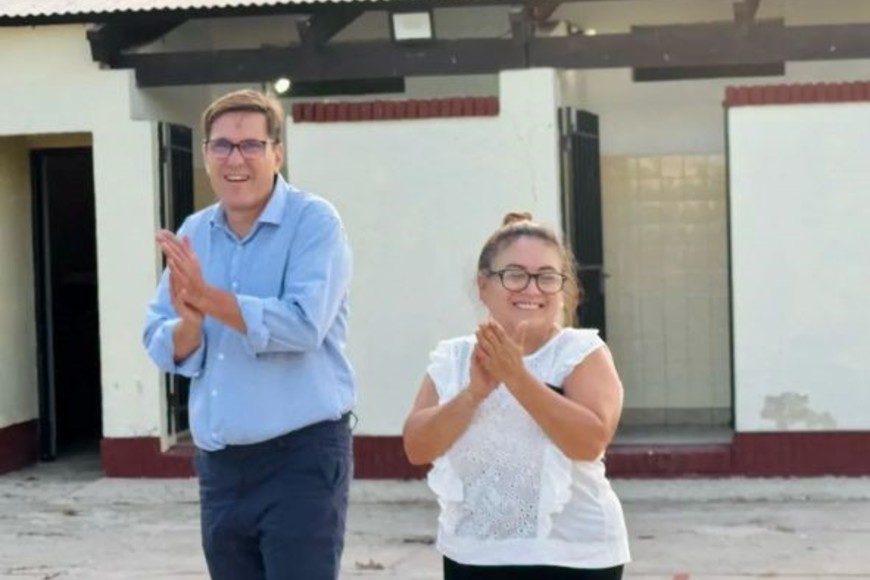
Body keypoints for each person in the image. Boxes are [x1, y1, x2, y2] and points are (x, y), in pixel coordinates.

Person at [142, 89, 355, 580]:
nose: (235, 159)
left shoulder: (314, 222)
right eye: (221, 146)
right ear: (205, 155)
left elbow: (303, 324)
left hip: (299, 461)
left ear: (276, 153)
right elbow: (159, 335)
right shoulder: (196, 229)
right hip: (220, 470)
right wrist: (191, 322)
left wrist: (207, 297)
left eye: (250, 145)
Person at [403, 212, 630, 580]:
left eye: (546, 277)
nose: (532, 289)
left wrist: (516, 377)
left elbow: (589, 441)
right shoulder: (454, 357)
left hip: (574, 558)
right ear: (483, 285)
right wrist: (474, 393)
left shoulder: (581, 352)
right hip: (472, 555)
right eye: (515, 275)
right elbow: (417, 447)